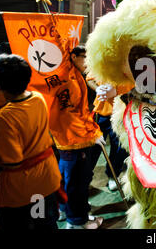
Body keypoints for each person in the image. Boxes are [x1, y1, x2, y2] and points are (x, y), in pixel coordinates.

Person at [0, 54, 62, 229]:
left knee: (21, 225)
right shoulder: (37, 97)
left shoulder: (3, 119)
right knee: (44, 223)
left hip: (25, 189)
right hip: (45, 179)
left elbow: (12, 163)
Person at [56, 45, 104, 229]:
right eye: (86, 57)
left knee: (66, 178)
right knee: (77, 181)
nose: (88, 61)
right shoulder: (68, 80)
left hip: (67, 140)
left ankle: (66, 210)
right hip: (74, 140)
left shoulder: (72, 73)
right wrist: (92, 134)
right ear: (74, 56)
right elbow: (71, 115)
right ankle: (77, 221)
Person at [86, 75, 131, 192]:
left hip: (121, 112)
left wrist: (118, 91)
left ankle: (113, 175)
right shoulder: (100, 61)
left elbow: (134, 82)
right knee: (92, 149)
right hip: (101, 112)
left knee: (119, 149)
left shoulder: (124, 62)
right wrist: (97, 89)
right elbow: (90, 78)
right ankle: (85, 179)